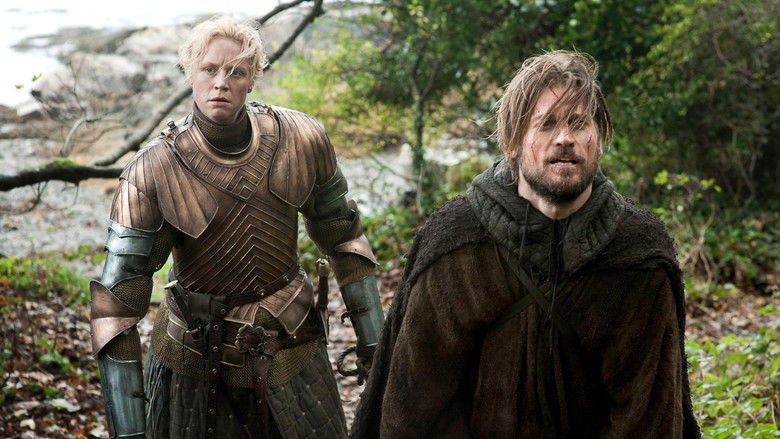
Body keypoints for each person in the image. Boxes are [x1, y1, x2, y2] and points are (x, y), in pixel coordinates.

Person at [351, 50, 700, 438]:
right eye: (546, 124)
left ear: (599, 140)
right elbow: (414, 403)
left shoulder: (636, 253)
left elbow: (648, 414)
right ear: (513, 142)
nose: (564, 138)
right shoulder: (457, 242)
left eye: (579, 123)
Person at [90, 16, 384, 439]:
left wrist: (375, 348)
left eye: (236, 72)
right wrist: (130, 432)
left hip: (291, 343)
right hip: (194, 358)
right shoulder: (153, 169)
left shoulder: (301, 138)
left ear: (252, 80)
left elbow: (346, 238)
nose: (221, 83)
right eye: (209, 69)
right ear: (190, 73)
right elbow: (115, 308)